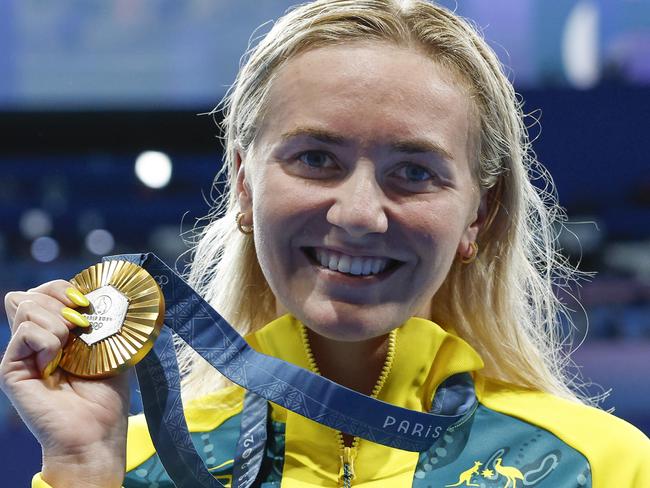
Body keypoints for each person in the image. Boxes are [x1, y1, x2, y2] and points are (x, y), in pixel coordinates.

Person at [2, 1, 649, 487]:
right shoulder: (128, 466)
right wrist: (83, 465)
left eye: (415, 172)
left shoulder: (596, 467)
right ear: (245, 187)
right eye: (315, 158)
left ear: (478, 216)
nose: (360, 213)